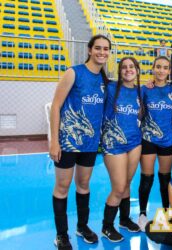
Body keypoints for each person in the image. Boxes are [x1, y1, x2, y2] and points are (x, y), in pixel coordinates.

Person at [49, 34, 111, 249]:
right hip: (67, 142)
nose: (102, 52)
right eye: (98, 48)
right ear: (89, 50)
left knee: (83, 184)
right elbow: (56, 106)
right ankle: (61, 235)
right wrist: (54, 141)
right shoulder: (73, 73)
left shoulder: (105, 80)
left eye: (106, 49)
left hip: (91, 144)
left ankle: (82, 226)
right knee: (63, 186)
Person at [101, 57, 143, 242]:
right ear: (120, 71)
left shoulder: (141, 92)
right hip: (113, 143)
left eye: (131, 67)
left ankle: (124, 219)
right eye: (124, 67)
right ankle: (106, 226)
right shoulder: (110, 89)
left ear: (137, 70)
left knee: (126, 183)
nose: (128, 70)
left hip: (134, 142)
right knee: (118, 187)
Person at [138, 56, 172, 231]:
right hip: (148, 139)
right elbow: (139, 114)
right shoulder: (145, 89)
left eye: (165, 68)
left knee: (165, 179)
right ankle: (142, 214)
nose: (161, 70)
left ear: (169, 71)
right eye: (158, 67)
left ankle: (167, 212)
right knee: (147, 178)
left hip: (167, 140)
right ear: (153, 68)